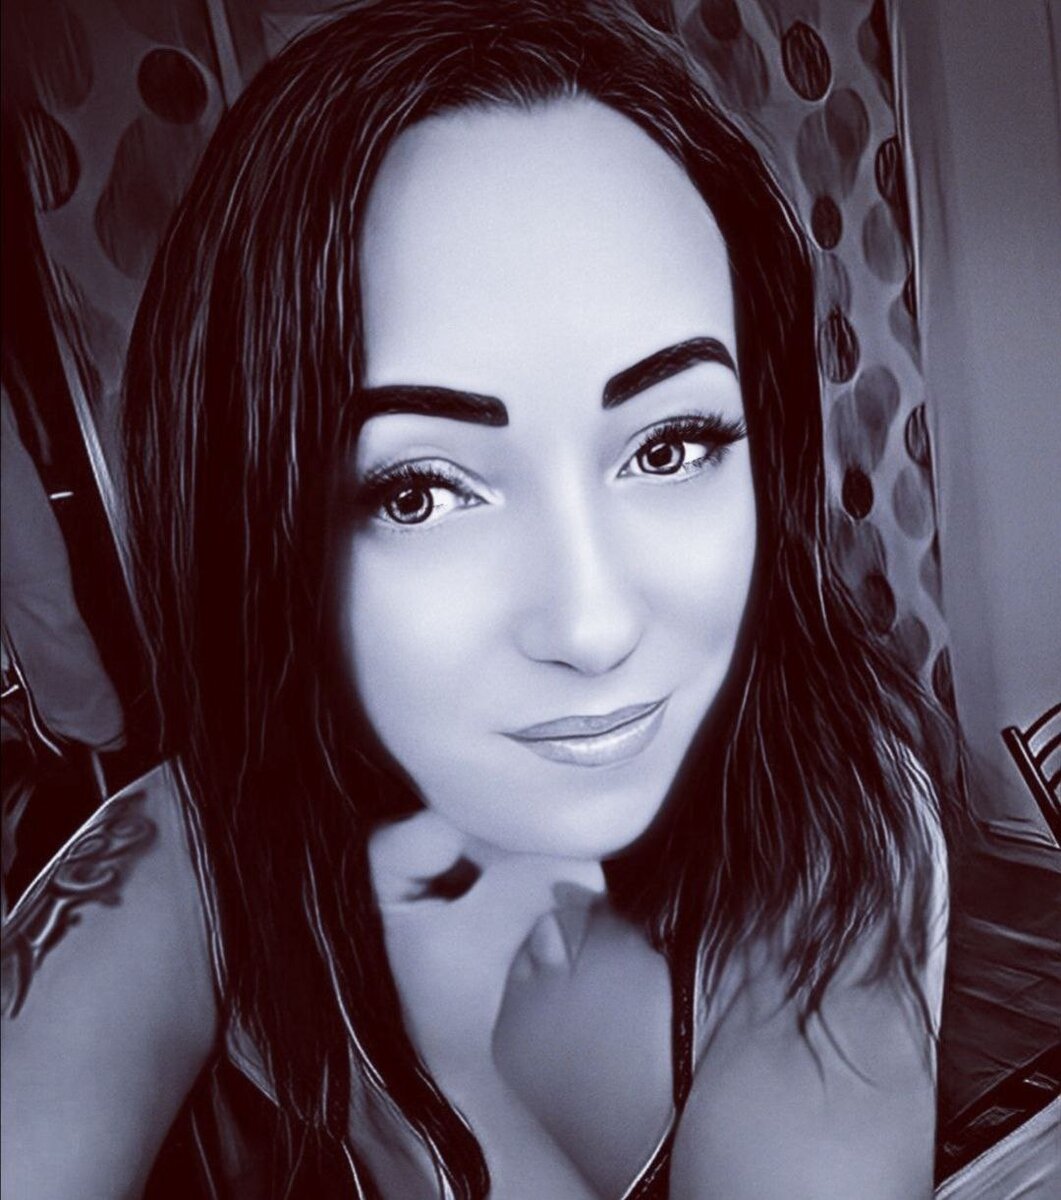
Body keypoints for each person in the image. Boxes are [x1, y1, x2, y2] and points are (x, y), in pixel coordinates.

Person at [1, 2, 954, 1196]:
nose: (593, 626)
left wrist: (454, 1089)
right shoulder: (185, 859)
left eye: (667, 446)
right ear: (260, 524)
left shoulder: (824, 811)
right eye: (418, 491)